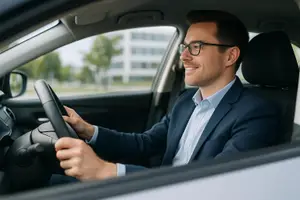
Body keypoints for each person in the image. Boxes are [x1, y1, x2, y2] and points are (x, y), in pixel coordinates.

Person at [53, 10, 281, 182]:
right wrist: (88, 130)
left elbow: (215, 184)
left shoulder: (257, 113)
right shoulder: (185, 101)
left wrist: (107, 171)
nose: (184, 56)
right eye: (185, 46)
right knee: (53, 182)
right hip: (157, 187)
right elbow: (146, 143)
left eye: (197, 47)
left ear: (230, 56)